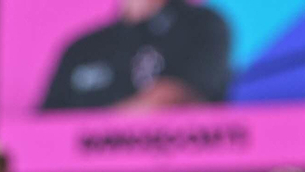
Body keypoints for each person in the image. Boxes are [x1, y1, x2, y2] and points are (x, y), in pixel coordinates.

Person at [41, 0, 232, 110]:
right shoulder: (82, 48)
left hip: (181, 171)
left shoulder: (201, 26)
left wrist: (91, 134)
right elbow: (46, 126)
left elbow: (178, 98)